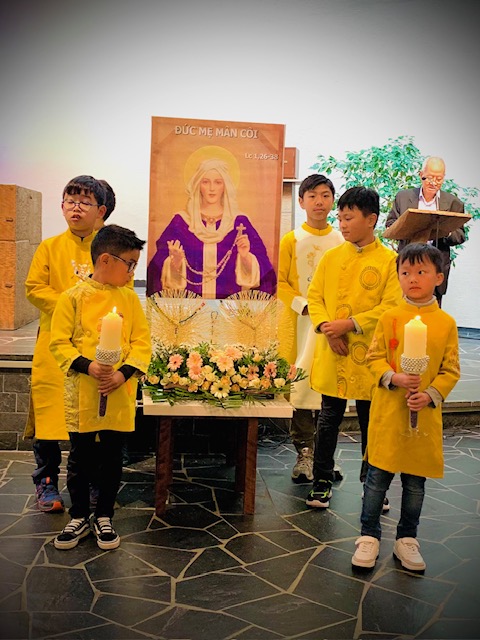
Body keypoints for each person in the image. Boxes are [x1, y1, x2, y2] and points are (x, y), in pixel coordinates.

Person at [351, 243, 460, 571]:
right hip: (389, 412)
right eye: (405, 272)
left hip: (423, 417)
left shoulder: (445, 323)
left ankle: (407, 539)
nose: (412, 278)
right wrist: (393, 377)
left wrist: (430, 394)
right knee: (376, 479)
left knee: (415, 483)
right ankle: (368, 536)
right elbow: (373, 357)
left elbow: (451, 369)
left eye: (421, 271)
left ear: (438, 277)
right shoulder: (390, 317)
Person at [50, 224, 152, 550]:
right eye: (130, 264)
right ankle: (79, 515)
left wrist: (123, 374)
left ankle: (105, 514)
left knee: (111, 456)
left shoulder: (130, 299)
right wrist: (89, 366)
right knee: (80, 457)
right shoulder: (72, 298)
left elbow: (142, 343)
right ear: (106, 260)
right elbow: (59, 343)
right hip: (83, 390)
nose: (132, 272)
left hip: (118, 391)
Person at [305, 186, 402, 510]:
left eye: (349, 218)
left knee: (370, 422)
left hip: (370, 357)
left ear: (371, 219)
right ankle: (321, 480)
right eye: (341, 218)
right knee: (328, 419)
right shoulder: (332, 257)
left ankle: (372, 484)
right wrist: (327, 328)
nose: (342, 224)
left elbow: (390, 306)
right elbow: (315, 297)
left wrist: (349, 324)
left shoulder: (389, 262)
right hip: (334, 351)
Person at [25, 175, 107, 513]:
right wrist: (70, 303)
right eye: (70, 201)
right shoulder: (49, 247)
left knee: (89, 419)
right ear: (61, 207)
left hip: (92, 347)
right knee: (49, 415)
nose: (76, 208)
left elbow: (120, 287)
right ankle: (46, 482)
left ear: (100, 211)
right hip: (54, 345)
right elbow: (34, 288)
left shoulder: (108, 249)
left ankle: (90, 481)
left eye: (85, 202)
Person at [278, 174, 343, 482]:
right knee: (301, 384)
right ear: (301, 201)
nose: (319, 201)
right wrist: (303, 305)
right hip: (302, 322)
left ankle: (324, 455)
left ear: (333, 201)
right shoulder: (291, 240)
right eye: (313, 196)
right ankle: (304, 452)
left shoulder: (341, 240)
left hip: (332, 325)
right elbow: (280, 282)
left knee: (329, 386)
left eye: (325, 195)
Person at [146, 157, 277, 299]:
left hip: (230, 307)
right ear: (198, 185)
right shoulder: (181, 222)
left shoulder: (239, 223)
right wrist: (175, 262)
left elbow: (266, 273)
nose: (212, 188)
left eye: (218, 182)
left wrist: (246, 258)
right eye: (206, 182)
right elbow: (156, 270)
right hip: (190, 306)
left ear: (225, 186)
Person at [385, 156, 466, 306]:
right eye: (429, 177)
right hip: (408, 262)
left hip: (435, 265)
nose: (433, 182)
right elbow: (390, 223)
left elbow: (460, 235)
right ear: (421, 174)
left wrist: (446, 229)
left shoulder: (453, 203)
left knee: (432, 312)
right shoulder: (403, 197)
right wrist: (404, 227)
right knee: (402, 309)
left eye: (438, 179)